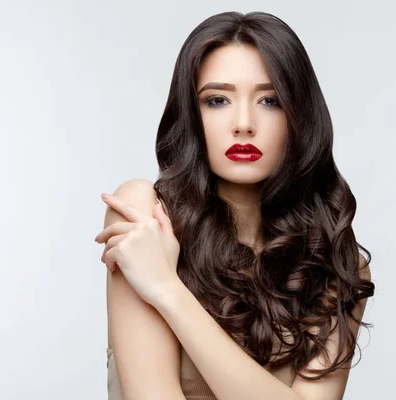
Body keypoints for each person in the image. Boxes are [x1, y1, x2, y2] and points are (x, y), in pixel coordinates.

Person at [94, 10, 375, 400]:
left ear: (300, 116)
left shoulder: (335, 260)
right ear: (191, 113)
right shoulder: (145, 214)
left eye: (271, 100)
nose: (244, 123)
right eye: (218, 99)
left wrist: (166, 289)